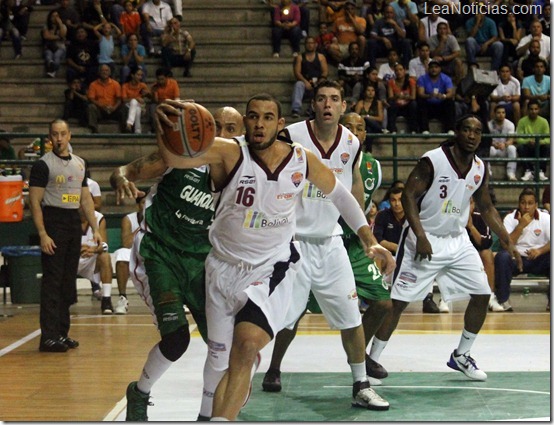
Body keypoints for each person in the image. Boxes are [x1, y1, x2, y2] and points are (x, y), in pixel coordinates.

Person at [156, 94, 395, 421]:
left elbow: (340, 194)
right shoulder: (229, 150)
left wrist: (370, 240)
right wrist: (164, 126)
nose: (259, 124)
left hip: (273, 266)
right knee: (219, 359)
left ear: (279, 125)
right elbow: (177, 156)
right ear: (245, 120)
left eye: (268, 117)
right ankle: (211, 413)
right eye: (253, 117)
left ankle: (222, 419)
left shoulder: (301, 158)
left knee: (246, 347)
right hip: (224, 267)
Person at [259, 82, 393, 411]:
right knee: (285, 319)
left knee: (350, 317)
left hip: (332, 241)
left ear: (342, 104)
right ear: (313, 105)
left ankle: (361, 384)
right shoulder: (290, 135)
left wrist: (366, 234)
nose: (328, 105)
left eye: (334, 99)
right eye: (321, 99)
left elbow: (354, 187)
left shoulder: (351, 142)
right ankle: (265, 370)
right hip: (293, 244)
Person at [111, 106, 244, 421]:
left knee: (221, 346)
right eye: (218, 127)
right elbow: (125, 171)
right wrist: (120, 179)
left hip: (204, 262)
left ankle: (205, 415)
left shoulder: (243, 174)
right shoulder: (180, 155)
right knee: (176, 339)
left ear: (239, 136)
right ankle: (139, 393)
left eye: (231, 129)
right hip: (161, 253)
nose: (223, 135)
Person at [368, 114, 521, 382]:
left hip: (457, 239)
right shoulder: (434, 160)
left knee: (483, 294)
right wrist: (420, 235)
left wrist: (508, 241)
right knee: (399, 302)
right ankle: (372, 358)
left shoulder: (480, 168)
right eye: (467, 130)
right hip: (424, 238)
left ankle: (461, 355)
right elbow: (409, 196)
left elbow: (485, 207)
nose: (472, 135)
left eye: (477, 131)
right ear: (457, 132)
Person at [29, 119, 102, 352]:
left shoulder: (80, 164)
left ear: (69, 135)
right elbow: (34, 202)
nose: (59, 138)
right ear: (50, 137)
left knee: (67, 282)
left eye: (63, 134)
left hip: (72, 222)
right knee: (53, 282)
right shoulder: (43, 165)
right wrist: (42, 234)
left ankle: (62, 333)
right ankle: (48, 337)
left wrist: (96, 229)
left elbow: (86, 200)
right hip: (53, 221)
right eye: (54, 134)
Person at [494, 188, 550, 311]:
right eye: (523, 203)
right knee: (502, 257)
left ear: (536, 205)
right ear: (519, 204)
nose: (526, 207)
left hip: (538, 258)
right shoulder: (510, 218)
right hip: (516, 258)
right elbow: (505, 245)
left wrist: (539, 251)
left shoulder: (546, 218)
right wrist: (520, 226)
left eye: (530, 203)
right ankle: (503, 300)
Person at [466, 197, 504, 312]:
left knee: (487, 253)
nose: (469, 207)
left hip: (475, 253)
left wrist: (471, 227)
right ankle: (444, 299)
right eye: (465, 204)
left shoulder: (480, 216)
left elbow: (486, 242)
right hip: (455, 253)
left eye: (471, 203)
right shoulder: (452, 217)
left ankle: (491, 296)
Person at [112, 194, 146, 315]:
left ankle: (176, 301)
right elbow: (126, 243)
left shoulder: (160, 216)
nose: (146, 206)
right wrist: (142, 226)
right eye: (143, 203)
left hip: (153, 252)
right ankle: (122, 298)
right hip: (134, 252)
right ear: (138, 205)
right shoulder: (129, 219)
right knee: (121, 254)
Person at [77, 206, 114, 314]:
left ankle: (106, 300)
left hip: (91, 259)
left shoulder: (99, 218)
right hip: (71, 258)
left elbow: (105, 245)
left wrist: (93, 250)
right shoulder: (67, 216)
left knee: (105, 257)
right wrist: (78, 248)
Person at [291, 36, 328, 118]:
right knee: (298, 84)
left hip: (317, 84)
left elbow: (325, 72)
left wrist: (320, 81)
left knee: (323, 85)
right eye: (308, 43)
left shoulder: (321, 57)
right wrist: (305, 82)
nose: (310, 45)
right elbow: (297, 72)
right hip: (305, 84)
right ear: (305, 45)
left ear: (315, 45)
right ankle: (296, 109)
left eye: (312, 43)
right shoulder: (300, 57)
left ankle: (312, 109)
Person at [416, 59, 455, 134]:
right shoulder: (422, 78)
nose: (434, 69)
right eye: (432, 67)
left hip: (441, 105)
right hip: (428, 105)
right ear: (428, 69)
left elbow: (450, 93)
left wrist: (443, 96)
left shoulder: (446, 78)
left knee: (450, 102)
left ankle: (450, 129)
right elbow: (420, 93)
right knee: (421, 102)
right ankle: (424, 130)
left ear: (440, 69)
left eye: (436, 67)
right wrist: (429, 95)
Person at [515, 99, 550, 182]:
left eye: (535, 109)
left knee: (547, 147)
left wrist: (538, 142)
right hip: (528, 147)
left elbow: (548, 139)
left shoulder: (544, 121)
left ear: (539, 110)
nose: (533, 111)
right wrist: (528, 141)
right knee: (520, 147)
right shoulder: (522, 121)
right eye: (531, 109)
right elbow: (518, 139)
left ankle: (541, 171)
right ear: (527, 110)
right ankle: (528, 171)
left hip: (540, 148)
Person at [86, 64, 123, 133]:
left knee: (125, 108)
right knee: (91, 107)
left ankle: (125, 130)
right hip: (100, 110)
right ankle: (93, 129)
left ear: (110, 72)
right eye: (102, 70)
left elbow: (119, 99)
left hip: (113, 110)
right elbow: (91, 99)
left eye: (106, 70)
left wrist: (114, 108)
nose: (104, 72)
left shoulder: (116, 84)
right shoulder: (93, 84)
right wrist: (101, 106)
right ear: (99, 72)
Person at [488, 104, 517, 181]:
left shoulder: (510, 124)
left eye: (503, 112)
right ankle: (488, 172)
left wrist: (505, 144)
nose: (501, 115)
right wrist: (493, 144)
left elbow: (511, 139)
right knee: (486, 148)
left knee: (512, 148)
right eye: (498, 113)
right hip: (493, 148)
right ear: (494, 114)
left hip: (504, 148)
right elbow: (486, 140)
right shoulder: (489, 124)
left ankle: (511, 173)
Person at [386, 62, 417, 134]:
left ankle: (413, 129)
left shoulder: (411, 81)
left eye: (400, 70)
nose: (398, 72)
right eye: (396, 70)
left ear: (404, 70)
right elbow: (391, 97)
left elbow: (413, 97)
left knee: (414, 104)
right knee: (391, 104)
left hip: (407, 106)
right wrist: (397, 96)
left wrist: (403, 97)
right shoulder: (391, 82)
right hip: (396, 106)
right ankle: (392, 129)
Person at [149, 67, 179, 133]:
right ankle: (156, 129)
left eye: (162, 79)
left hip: (171, 104)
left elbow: (176, 98)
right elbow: (156, 101)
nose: (160, 81)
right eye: (158, 79)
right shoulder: (154, 86)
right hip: (160, 105)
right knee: (152, 107)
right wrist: (154, 93)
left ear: (166, 78)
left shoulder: (173, 83)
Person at [122, 66, 150, 134]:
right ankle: (137, 130)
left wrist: (148, 93)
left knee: (137, 107)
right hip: (128, 107)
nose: (140, 77)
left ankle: (129, 124)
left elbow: (150, 97)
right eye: (138, 75)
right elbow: (124, 100)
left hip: (141, 107)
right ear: (132, 75)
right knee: (134, 103)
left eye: (141, 75)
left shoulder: (142, 85)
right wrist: (136, 98)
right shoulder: (125, 86)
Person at [42, 9, 67, 78]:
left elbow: (62, 35)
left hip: (60, 48)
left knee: (56, 55)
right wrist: (58, 37)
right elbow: (46, 36)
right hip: (49, 47)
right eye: (53, 16)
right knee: (48, 56)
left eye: (57, 16)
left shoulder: (63, 26)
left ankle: (52, 71)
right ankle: (52, 68)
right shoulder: (46, 26)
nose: (55, 18)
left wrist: (60, 23)